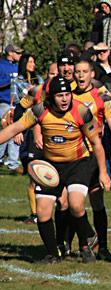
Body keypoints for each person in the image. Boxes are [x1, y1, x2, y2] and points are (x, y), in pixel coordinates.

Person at [0, 75, 110, 263]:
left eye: (68, 94)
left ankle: (89, 235)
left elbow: (97, 144)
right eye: (60, 95)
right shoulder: (39, 110)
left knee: (75, 204)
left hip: (78, 163)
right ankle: (53, 254)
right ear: (51, 97)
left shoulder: (81, 111)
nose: (65, 99)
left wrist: (103, 172)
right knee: (42, 211)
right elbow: (14, 129)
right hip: (50, 164)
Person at [72, 59, 111, 259]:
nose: (81, 75)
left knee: (96, 200)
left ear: (92, 74)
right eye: (78, 72)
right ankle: (81, 243)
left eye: (85, 71)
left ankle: (102, 247)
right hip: (71, 155)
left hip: (94, 155)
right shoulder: (67, 94)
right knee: (69, 202)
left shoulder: (103, 96)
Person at [10, 53, 44, 224]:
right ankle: (35, 213)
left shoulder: (39, 80)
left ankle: (43, 211)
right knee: (32, 174)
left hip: (42, 131)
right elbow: (16, 104)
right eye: (30, 61)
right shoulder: (18, 81)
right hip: (28, 129)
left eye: (34, 61)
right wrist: (17, 130)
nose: (33, 64)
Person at [0, 44, 24, 174]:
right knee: (7, 131)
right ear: (10, 52)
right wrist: (11, 81)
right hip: (4, 102)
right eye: (17, 53)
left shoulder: (17, 66)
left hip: (17, 103)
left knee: (15, 132)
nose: (19, 56)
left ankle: (13, 163)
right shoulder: (2, 65)